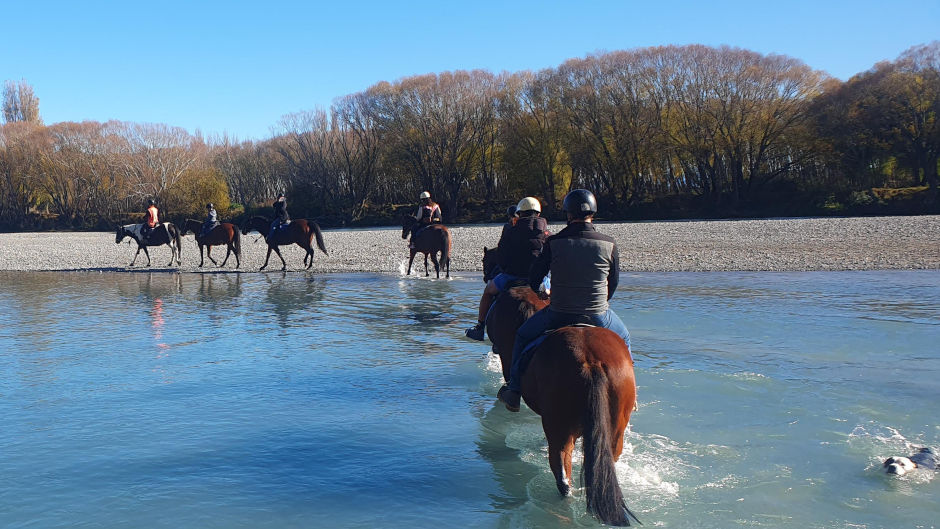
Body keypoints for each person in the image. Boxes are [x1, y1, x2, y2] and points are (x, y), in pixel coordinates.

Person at [497, 189, 631, 412]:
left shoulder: (555, 242)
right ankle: (631, 398)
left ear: (568, 213)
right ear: (593, 213)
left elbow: (536, 277)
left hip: (559, 312)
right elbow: (613, 283)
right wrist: (600, 304)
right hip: (598, 313)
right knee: (624, 337)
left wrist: (542, 293)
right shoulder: (610, 243)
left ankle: (514, 390)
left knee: (522, 336)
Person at [465, 197, 549, 340]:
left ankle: (479, 327)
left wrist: (507, 269)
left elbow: (502, 258)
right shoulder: (547, 235)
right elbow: (549, 260)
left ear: (520, 214)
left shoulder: (510, 231)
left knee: (488, 292)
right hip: (540, 280)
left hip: (512, 276)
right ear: (539, 214)